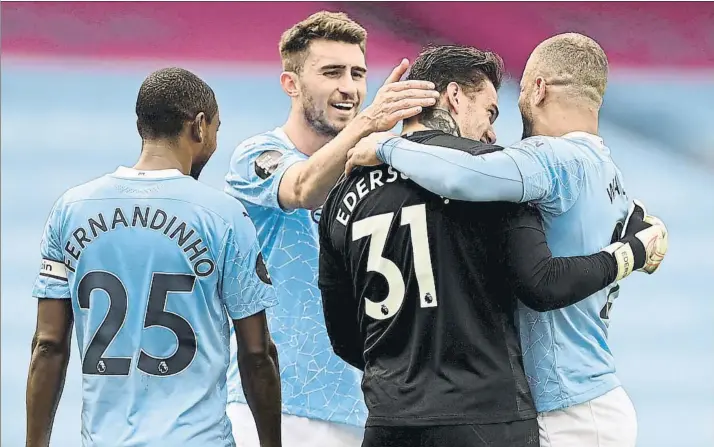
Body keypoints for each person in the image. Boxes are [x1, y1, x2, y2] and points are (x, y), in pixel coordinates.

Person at [319, 43, 667, 447]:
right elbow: (539, 282)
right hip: (501, 412)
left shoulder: (346, 189)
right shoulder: (513, 177)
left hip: (391, 417)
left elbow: (344, 335)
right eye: (490, 112)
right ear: (453, 97)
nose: (494, 132)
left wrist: (382, 143)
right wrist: (632, 253)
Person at [26, 68, 281, 447]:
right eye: (216, 128)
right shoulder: (225, 216)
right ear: (198, 126)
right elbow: (257, 352)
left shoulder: (71, 208)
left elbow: (48, 345)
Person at [223, 11, 439, 447]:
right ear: (292, 84)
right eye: (332, 72)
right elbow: (303, 188)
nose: (349, 87)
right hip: (269, 409)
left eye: (358, 73)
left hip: (360, 409)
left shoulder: (372, 173)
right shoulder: (258, 156)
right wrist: (369, 124)